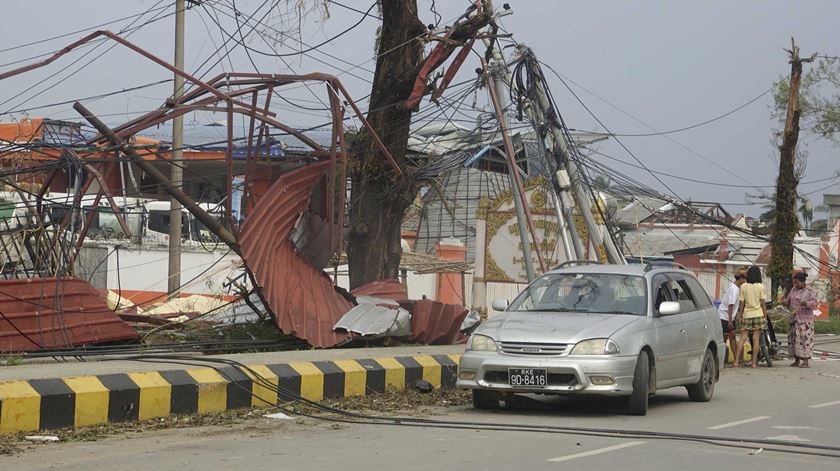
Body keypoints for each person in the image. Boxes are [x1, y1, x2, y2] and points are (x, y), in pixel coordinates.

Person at [733, 266, 768, 368]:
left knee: (743, 338)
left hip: (747, 315)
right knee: (756, 339)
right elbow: (763, 303)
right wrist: (765, 316)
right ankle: (753, 363)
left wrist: (740, 315)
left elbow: (741, 304)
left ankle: (736, 362)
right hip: (758, 315)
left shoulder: (743, 286)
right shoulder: (760, 287)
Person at [785, 271, 818, 368]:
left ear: (803, 282)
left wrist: (806, 303)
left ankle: (805, 361)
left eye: (797, 283)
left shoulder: (810, 291)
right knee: (794, 340)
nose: (795, 285)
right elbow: (788, 300)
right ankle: (796, 360)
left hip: (805, 321)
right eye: (794, 283)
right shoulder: (793, 289)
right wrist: (783, 300)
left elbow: (815, 304)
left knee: (805, 341)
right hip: (794, 320)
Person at [718, 268, 747, 365]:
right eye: (744, 279)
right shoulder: (734, 289)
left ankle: (737, 360)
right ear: (741, 278)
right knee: (725, 339)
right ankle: (720, 361)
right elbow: (730, 305)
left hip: (729, 317)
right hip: (725, 317)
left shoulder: (734, 287)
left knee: (733, 337)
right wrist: (730, 320)